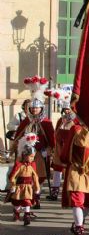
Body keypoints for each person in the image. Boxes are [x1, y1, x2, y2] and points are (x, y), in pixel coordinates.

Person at [11, 77, 55, 209]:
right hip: (26, 153)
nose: (35, 110)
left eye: (37, 108)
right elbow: (18, 135)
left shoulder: (46, 122)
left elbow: (51, 137)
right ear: (30, 109)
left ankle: (36, 196)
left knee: (39, 177)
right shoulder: (26, 121)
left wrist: (50, 149)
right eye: (33, 108)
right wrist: (16, 146)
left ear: (41, 108)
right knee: (25, 176)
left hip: (40, 153)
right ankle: (27, 199)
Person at [60, 123, 89, 235]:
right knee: (77, 200)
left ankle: (78, 222)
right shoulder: (76, 129)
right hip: (77, 170)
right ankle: (79, 227)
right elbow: (69, 147)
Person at [8, 134, 40, 225]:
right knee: (17, 202)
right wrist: (13, 185)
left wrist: (37, 187)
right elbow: (13, 176)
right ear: (25, 155)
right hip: (19, 187)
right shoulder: (19, 165)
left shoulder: (32, 165)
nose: (32, 158)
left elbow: (35, 176)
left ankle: (27, 215)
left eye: (33, 157)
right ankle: (17, 212)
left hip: (28, 187)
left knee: (27, 201)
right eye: (30, 156)